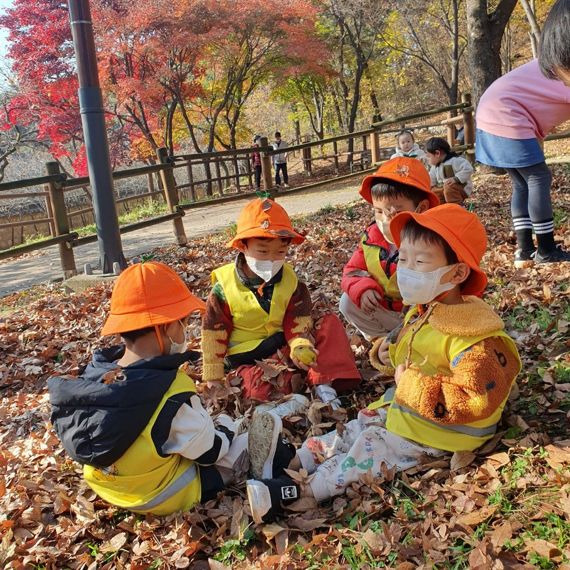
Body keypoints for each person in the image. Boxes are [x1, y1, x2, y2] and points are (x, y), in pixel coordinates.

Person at [246, 205, 521, 523]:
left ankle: (298, 492)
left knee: (370, 447)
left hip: (441, 433)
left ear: (458, 273)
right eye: (403, 259)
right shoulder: (425, 309)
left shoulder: (477, 337)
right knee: (357, 424)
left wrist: (412, 384)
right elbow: (410, 354)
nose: (405, 269)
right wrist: (386, 354)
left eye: (419, 261)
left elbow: (477, 398)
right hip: (406, 410)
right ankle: (294, 460)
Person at [48, 262, 295, 515]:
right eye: (183, 323)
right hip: (161, 494)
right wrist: (226, 429)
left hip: (114, 490)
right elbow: (208, 450)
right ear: (165, 328)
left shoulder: (96, 374)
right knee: (239, 444)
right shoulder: (170, 392)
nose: (185, 330)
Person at [201, 197, 360, 405]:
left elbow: (298, 319)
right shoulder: (224, 288)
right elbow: (214, 334)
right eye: (263, 251)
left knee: (329, 324)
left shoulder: (291, 282)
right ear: (243, 246)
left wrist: (300, 344)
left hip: (285, 346)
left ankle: (323, 383)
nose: (271, 259)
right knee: (256, 388)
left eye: (280, 252)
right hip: (248, 359)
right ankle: (300, 385)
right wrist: (214, 377)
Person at [476, 32, 570, 266]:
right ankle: (546, 250)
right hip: (506, 112)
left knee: (522, 182)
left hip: (492, 111)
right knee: (538, 176)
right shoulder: (562, 66)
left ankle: (525, 249)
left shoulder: (551, 60)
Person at [339, 157, 439, 339]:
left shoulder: (434, 242)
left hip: (425, 317)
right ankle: (380, 343)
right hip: (387, 311)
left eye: (395, 213)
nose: (385, 220)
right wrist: (363, 288)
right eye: (379, 211)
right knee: (347, 302)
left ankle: (411, 345)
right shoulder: (371, 238)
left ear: (421, 208)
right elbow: (352, 271)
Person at [426, 137, 474, 206]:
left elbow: (468, 168)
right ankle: (442, 208)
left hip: (460, 189)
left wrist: (456, 179)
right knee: (434, 192)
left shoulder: (455, 161)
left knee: (449, 187)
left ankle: (456, 208)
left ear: (437, 153)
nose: (428, 160)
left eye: (429, 157)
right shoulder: (435, 166)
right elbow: (431, 179)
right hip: (445, 189)